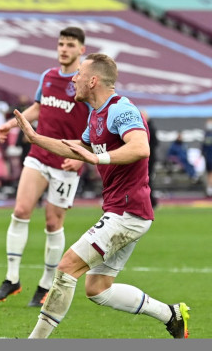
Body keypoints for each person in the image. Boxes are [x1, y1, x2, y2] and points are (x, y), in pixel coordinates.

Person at [14, 53, 190, 339]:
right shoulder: (97, 113)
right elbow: (77, 147)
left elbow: (141, 147)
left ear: (93, 80)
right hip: (124, 212)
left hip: (127, 212)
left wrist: (100, 159)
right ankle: (170, 314)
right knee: (97, 289)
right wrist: (37, 138)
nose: (73, 78)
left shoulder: (121, 109)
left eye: (79, 74)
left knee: (67, 267)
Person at [0, 27, 90, 307]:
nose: (64, 49)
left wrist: (82, 154)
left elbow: (96, 122)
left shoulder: (86, 82)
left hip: (67, 162)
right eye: (60, 44)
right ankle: (12, 279)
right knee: (20, 211)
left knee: (52, 222)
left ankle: (46, 284)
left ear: (82, 50)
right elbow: (40, 107)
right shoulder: (48, 76)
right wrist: (12, 123)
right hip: (39, 154)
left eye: (70, 45)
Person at [142, 110, 159, 207]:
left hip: (149, 159)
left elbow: (155, 143)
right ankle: (150, 201)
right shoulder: (147, 127)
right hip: (147, 158)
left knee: (147, 180)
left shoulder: (150, 128)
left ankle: (151, 202)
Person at [203, 118, 212, 197]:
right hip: (208, 158)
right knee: (209, 173)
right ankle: (209, 189)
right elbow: (203, 147)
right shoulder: (206, 135)